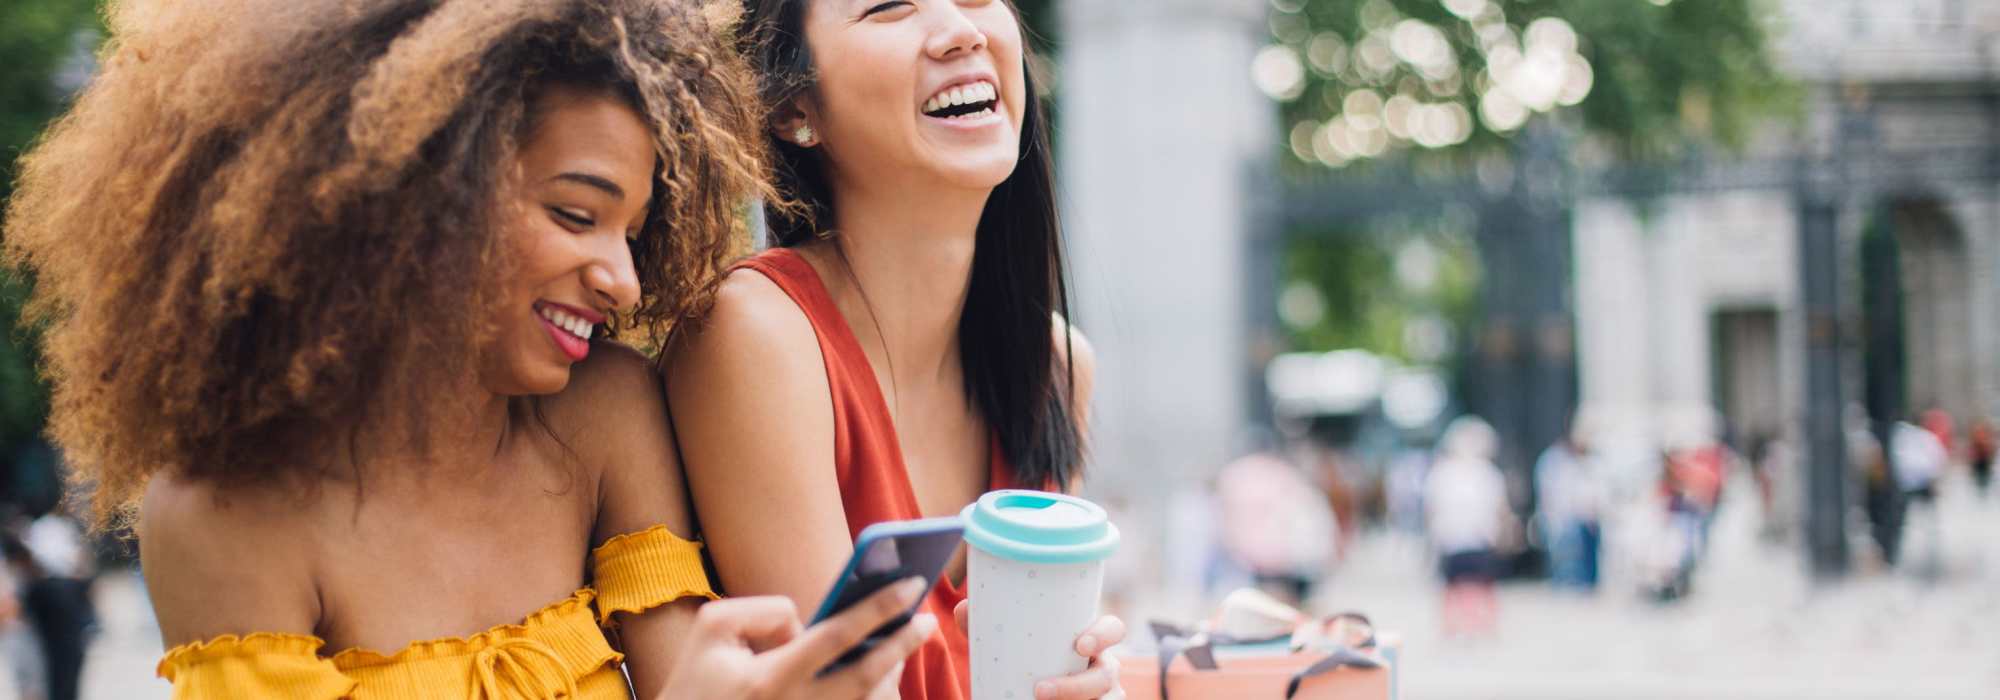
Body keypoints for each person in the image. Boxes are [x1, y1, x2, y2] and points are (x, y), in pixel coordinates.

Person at [2, 1, 935, 697]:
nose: (623, 280)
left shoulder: (602, 411)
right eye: (576, 215)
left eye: (634, 232)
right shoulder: (225, 513)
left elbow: (689, 675)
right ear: (408, 198)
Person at [666, 1, 1124, 698]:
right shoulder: (757, 335)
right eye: (888, 6)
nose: (962, 30)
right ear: (795, 110)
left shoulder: (1059, 370)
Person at [1424, 416, 1510, 638]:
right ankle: (1483, 626)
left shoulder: (1440, 473)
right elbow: (1500, 509)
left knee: (1452, 586)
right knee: (1483, 585)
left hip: (1450, 538)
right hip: (1479, 537)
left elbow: (1430, 509)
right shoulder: (1489, 473)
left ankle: (1453, 626)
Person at [1533, 421, 1603, 592]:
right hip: (1561, 515)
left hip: (1582, 516)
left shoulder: (1583, 461)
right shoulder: (1554, 461)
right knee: (1563, 555)